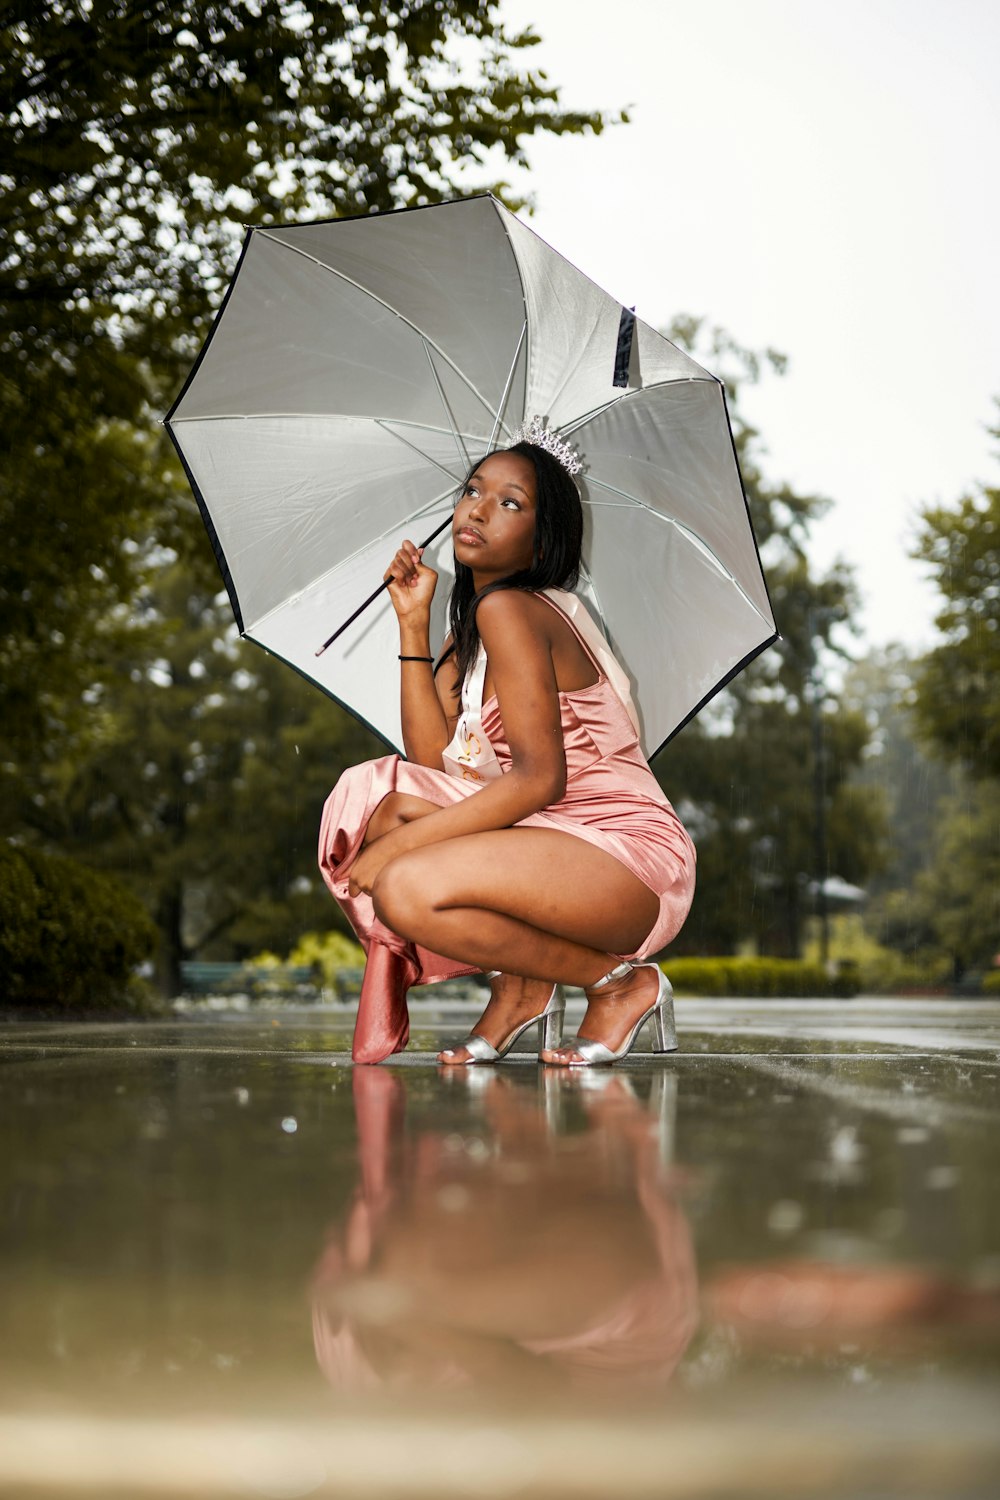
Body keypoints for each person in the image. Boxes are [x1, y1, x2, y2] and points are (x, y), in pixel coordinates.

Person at [318, 426, 696, 1066]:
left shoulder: (516, 611)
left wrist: (402, 848)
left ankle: (621, 985)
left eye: (511, 502)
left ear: (542, 538)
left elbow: (539, 780)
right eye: (473, 491)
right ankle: (523, 985)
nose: (479, 508)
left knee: (405, 884)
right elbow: (432, 761)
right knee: (378, 798)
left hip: (625, 859)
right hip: (548, 843)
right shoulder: (472, 633)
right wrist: (413, 621)